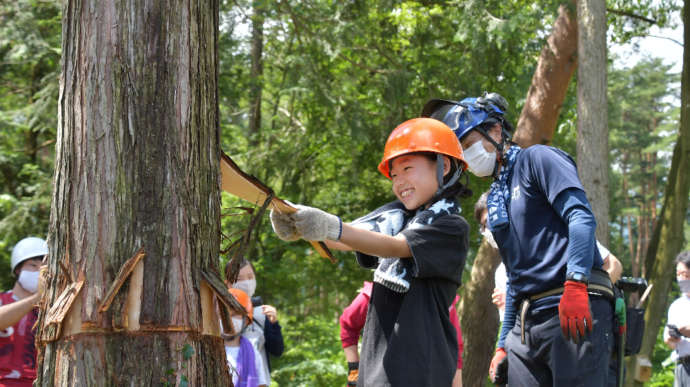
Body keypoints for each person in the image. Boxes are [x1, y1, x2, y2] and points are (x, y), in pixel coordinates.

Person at [423, 93, 615, 386]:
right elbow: (514, 274)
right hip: (528, 322)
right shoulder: (496, 196)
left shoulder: (538, 158)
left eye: (467, 143)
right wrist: (503, 343)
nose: (465, 155)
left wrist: (576, 283)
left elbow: (581, 217)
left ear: (496, 131)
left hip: (573, 304)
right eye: (459, 151)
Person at [270, 117, 471, 386]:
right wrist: (298, 222)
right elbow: (351, 237)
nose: (399, 181)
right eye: (394, 175)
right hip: (378, 367)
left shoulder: (450, 225)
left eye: (408, 168)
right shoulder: (397, 217)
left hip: (421, 367)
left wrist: (330, 226)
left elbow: (397, 246)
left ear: (443, 166)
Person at [473, 191, 623, 321]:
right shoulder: (501, 273)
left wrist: (581, 297)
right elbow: (514, 326)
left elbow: (613, 266)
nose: (489, 229)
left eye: (491, 220)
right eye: (484, 226)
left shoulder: (556, 237)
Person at [339, 281, 464, 387]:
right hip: (381, 379)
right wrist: (354, 370)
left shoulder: (442, 303)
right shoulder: (374, 293)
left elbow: (455, 349)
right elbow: (348, 324)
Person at [225, 259, 284, 384]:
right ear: (228, 283)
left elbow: (277, 351)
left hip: (258, 381)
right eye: (240, 279)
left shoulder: (262, 314)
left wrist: (274, 324)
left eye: (250, 277)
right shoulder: (221, 311)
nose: (247, 282)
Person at [0, 236, 47, 386]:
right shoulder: (2, 300)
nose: (39, 272)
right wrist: (36, 297)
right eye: (33, 265)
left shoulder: (47, 310)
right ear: (18, 269)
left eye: (44, 268)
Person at [224, 288, 269, 387]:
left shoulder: (253, 352)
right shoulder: (207, 350)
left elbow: (261, 384)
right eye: (224, 315)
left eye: (235, 315)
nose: (230, 320)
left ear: (246, 321)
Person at [664, 251, 690, 387]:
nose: (681, 279)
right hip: (681, 367)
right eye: (678, 274)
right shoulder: (676, 305)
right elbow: (670, 343)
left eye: (685, 275)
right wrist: (671, 338)